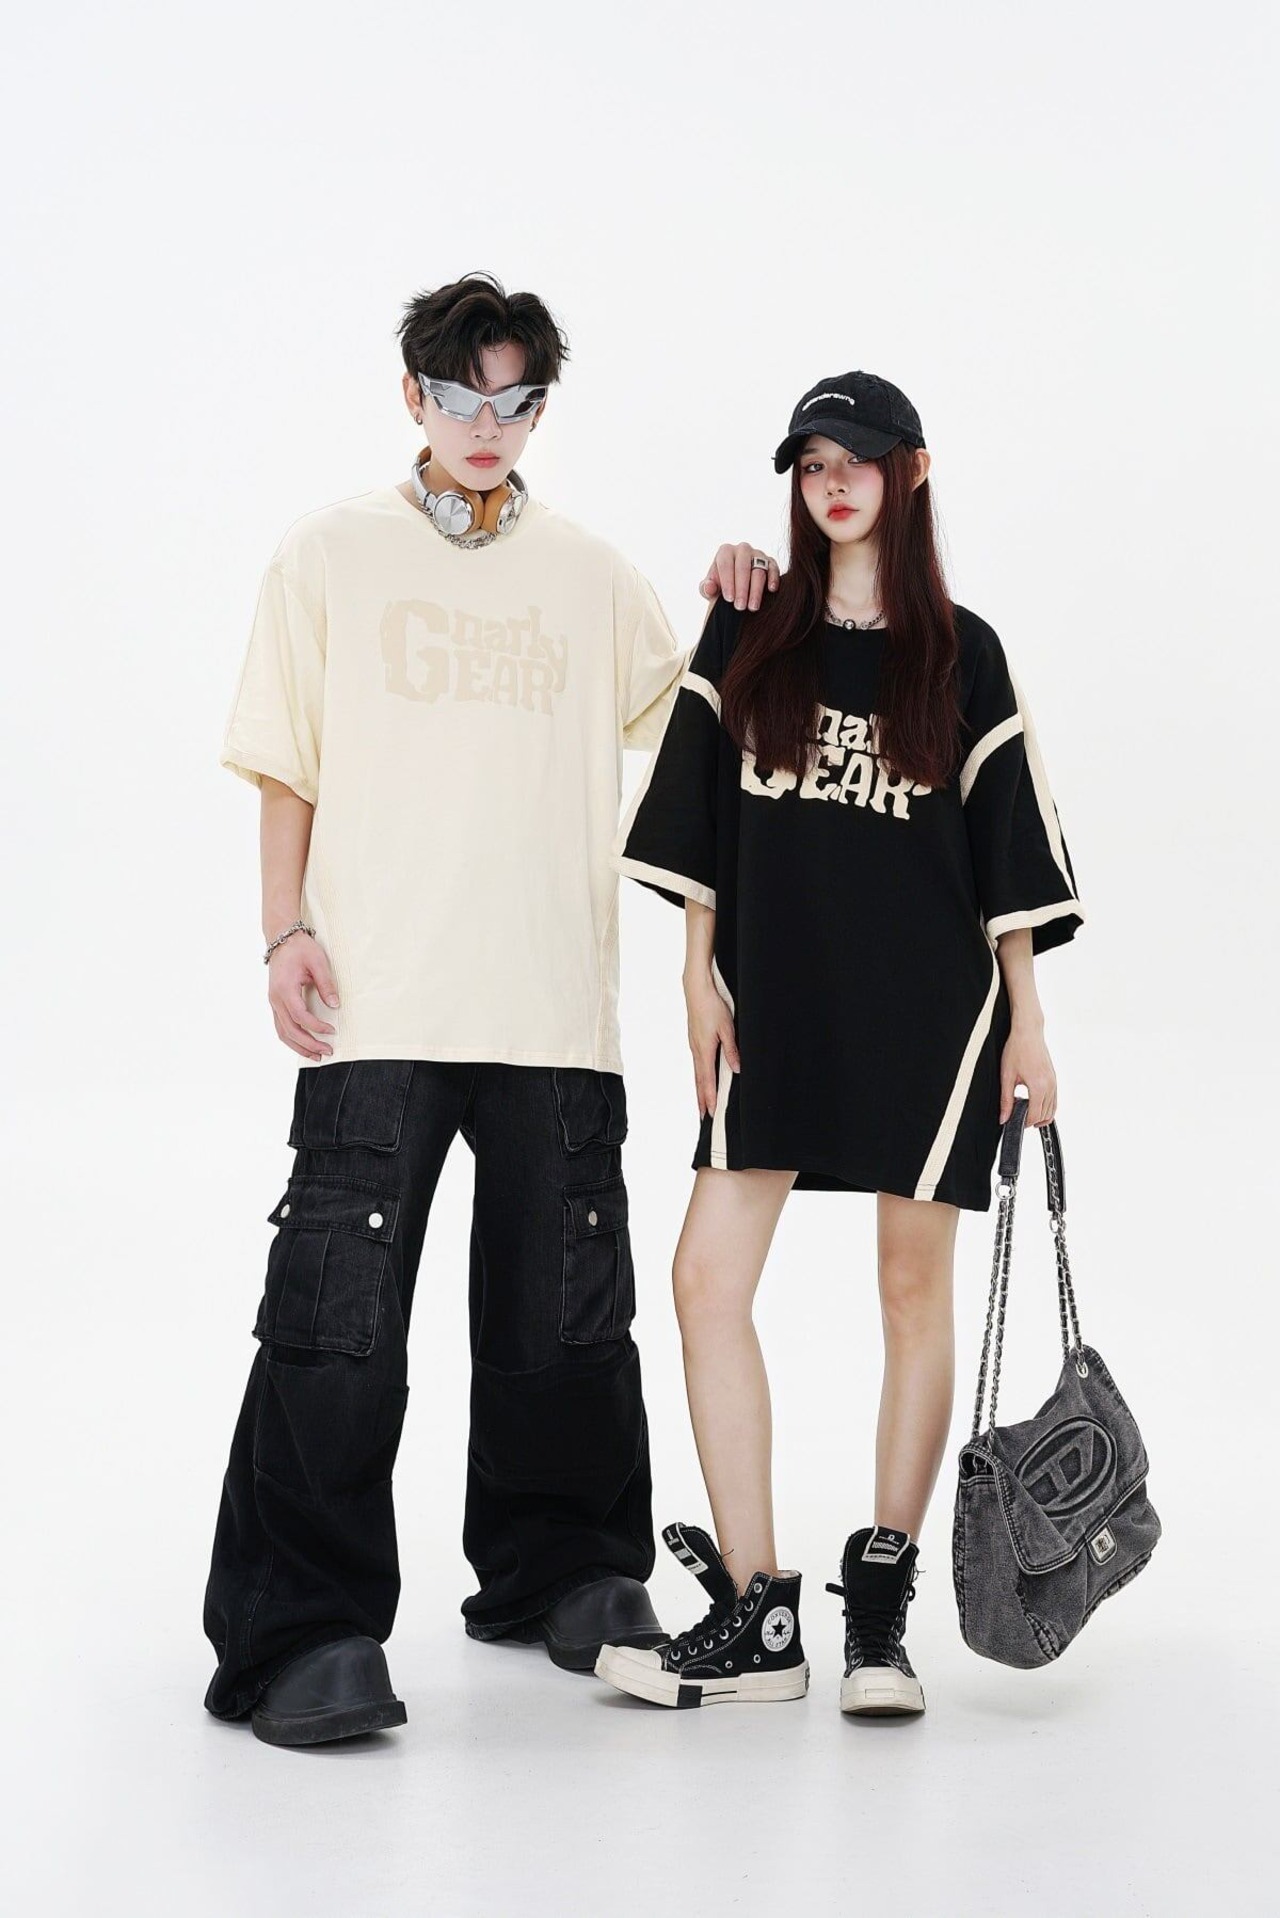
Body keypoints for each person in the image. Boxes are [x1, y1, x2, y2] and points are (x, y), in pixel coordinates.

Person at [202, 271, 777, 1747]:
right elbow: (286, 759)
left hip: (550, 1004)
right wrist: (283, 928)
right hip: (379, 996)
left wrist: (738, 604)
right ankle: (305, 1627)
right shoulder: (331, 554)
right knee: (337, 1325)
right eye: (462, 396)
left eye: (515, 402)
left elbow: (699, 726)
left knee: (565, 1318)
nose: (487, 426)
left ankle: (565, 1569)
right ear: (415, 394)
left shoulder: (589, 575)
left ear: (537, 410)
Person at [596, 371, 1084, 1716]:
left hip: (929, 1015)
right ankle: (761, 1614)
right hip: (775, 1003)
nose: (831, 484)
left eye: (855, 460)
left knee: (910, 1288)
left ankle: (880, 1616)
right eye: (811, 464)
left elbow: (1007, 858)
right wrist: (696, 977)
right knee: (706, 1279)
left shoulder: (963, 653)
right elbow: (696, 811)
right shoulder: (752, 629)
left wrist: (1028, 1024)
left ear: (909, 472)